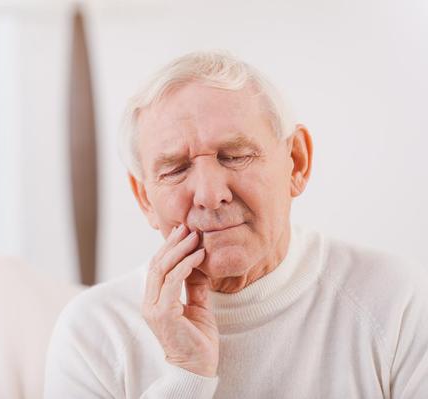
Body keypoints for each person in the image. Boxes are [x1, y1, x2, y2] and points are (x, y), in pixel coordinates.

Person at [43, 51, 428, 398]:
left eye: (236, 156)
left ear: (296, 161)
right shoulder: (93, 334)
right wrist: (186, 377)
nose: (210, 194)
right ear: (144, 197)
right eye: (176, 169)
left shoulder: (393, 300)